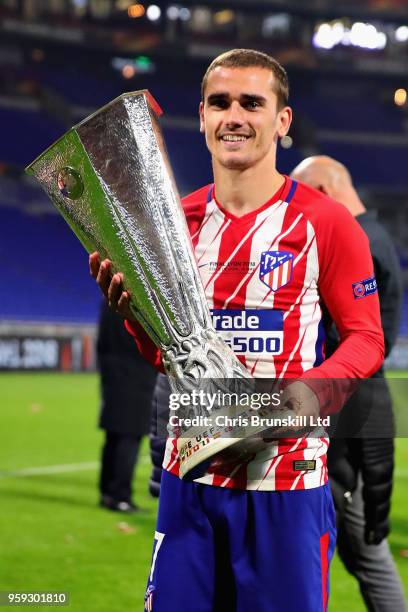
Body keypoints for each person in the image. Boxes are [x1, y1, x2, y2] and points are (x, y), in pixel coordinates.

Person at [89, 49, 384, 611]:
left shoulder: (327, 223)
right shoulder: (174, 224)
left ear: (282, 120)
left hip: (286, 484)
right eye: (220, 103)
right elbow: (169, 356)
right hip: (190, 477)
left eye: (253, 102)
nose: (235, 116)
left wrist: (305, 396)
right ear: (201, 116)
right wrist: (135, 320)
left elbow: (367, 337)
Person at [291, 155, 405, 612]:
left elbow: (356, 352)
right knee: (356, 549)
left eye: (303, 199)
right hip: (354, 419)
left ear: (322, 191)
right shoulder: (373, 237)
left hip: (346, 426)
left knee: (359, 550)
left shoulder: (357, 241)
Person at [97, 300, 157, 513]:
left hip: (113, 375)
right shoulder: (136, 304)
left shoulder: (109, 300)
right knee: (129, 438)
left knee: (114, 436)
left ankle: (107, 493)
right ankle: (120, 497)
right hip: (137, 377)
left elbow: (102, 342)